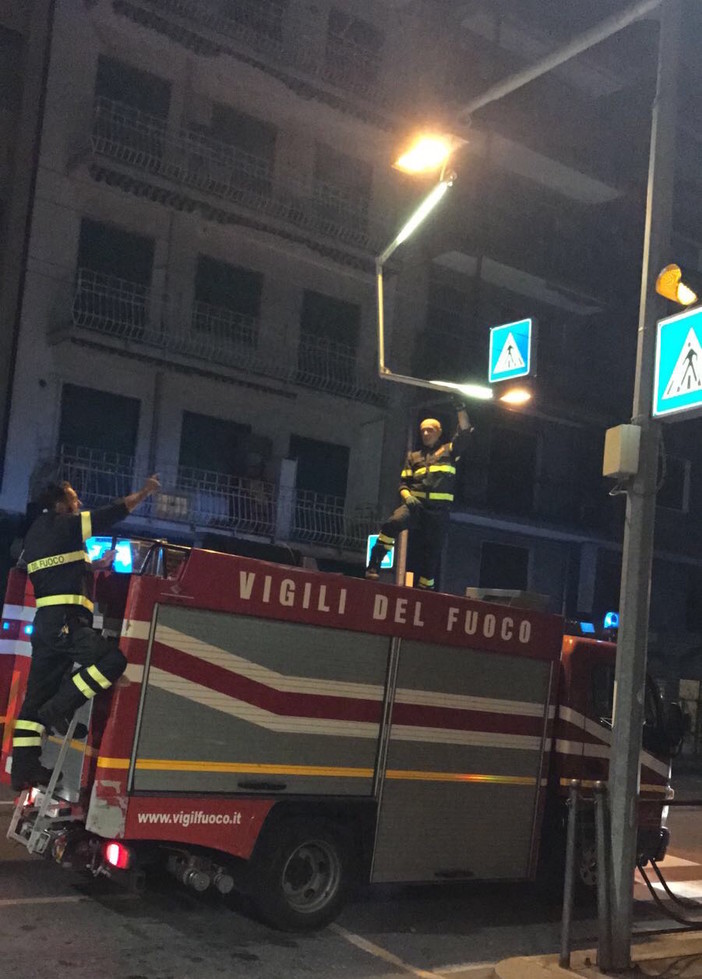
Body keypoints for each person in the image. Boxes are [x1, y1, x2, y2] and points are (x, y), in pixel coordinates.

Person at [11, 474, 160, 790]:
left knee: (34, 700)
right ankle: (58, 710)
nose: (78, 504)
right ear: (60, 504)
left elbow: (56, 569)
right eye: (73, 498)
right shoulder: (65, 525)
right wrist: (144, 493)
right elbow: (111, 513)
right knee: (112, 662)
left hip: (48, 623)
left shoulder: (37, 534)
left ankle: (24, 769)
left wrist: (93, 566)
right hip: (65, 621)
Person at [365, 402, 472, 591]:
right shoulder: (413, 457)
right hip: (416, 505)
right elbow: (403, 484)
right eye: (422, 431)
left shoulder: (450, 451)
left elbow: (464, 432)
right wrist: (408, 498)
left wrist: (460, 409)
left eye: (429, 430)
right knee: (392, 523)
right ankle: (374, 565)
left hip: (439, 510)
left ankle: (425, 588)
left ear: (439, 432)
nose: (425, 434)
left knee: (432, 550)